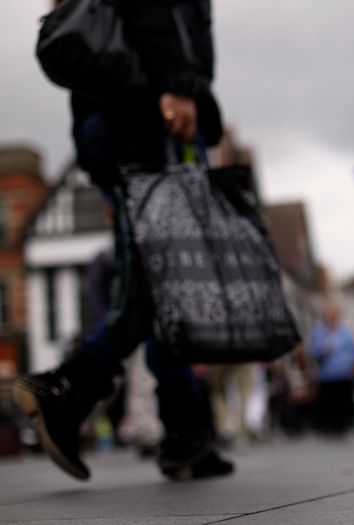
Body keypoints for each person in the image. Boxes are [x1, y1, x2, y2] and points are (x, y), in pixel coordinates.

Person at [14, 0, 231, 481]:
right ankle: (70, 389)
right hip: (148, 119)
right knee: (156, 281)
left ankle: (184, 431)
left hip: (120, 120)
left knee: (161, 281)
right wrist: (178, 85)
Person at [309, 303, 354, 435]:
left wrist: (349, 362)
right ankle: (328, 427)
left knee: (343, 401)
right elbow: (312, 351)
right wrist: (322, 351)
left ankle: (343, 426)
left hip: (343, 372)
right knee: (327, 402)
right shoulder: (318, 331)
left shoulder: (345, 331)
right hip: (326, 373)